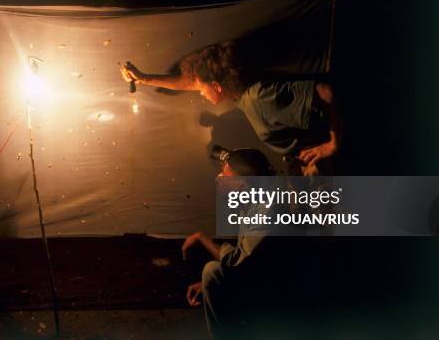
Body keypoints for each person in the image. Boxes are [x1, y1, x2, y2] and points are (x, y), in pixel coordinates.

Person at [120, 41, 341, 175]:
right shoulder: (241, 96)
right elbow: (190, 82)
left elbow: (325, 92)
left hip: (328, 164)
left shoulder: (259, 98)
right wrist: (144, 79)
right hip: (303, 162)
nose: (200, 92)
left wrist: (332, 144)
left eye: (202, 88)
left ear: (217, 85)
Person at [181, 147, 273, 339]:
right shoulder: (250, 202)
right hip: (260, 278)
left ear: (241, 186)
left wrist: (201, 237)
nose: (218, 177)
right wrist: (207, 285)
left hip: (275, 290)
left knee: (211, 271)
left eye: (224, 175)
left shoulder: (266, 212)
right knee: (213, 275)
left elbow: (237, 259)